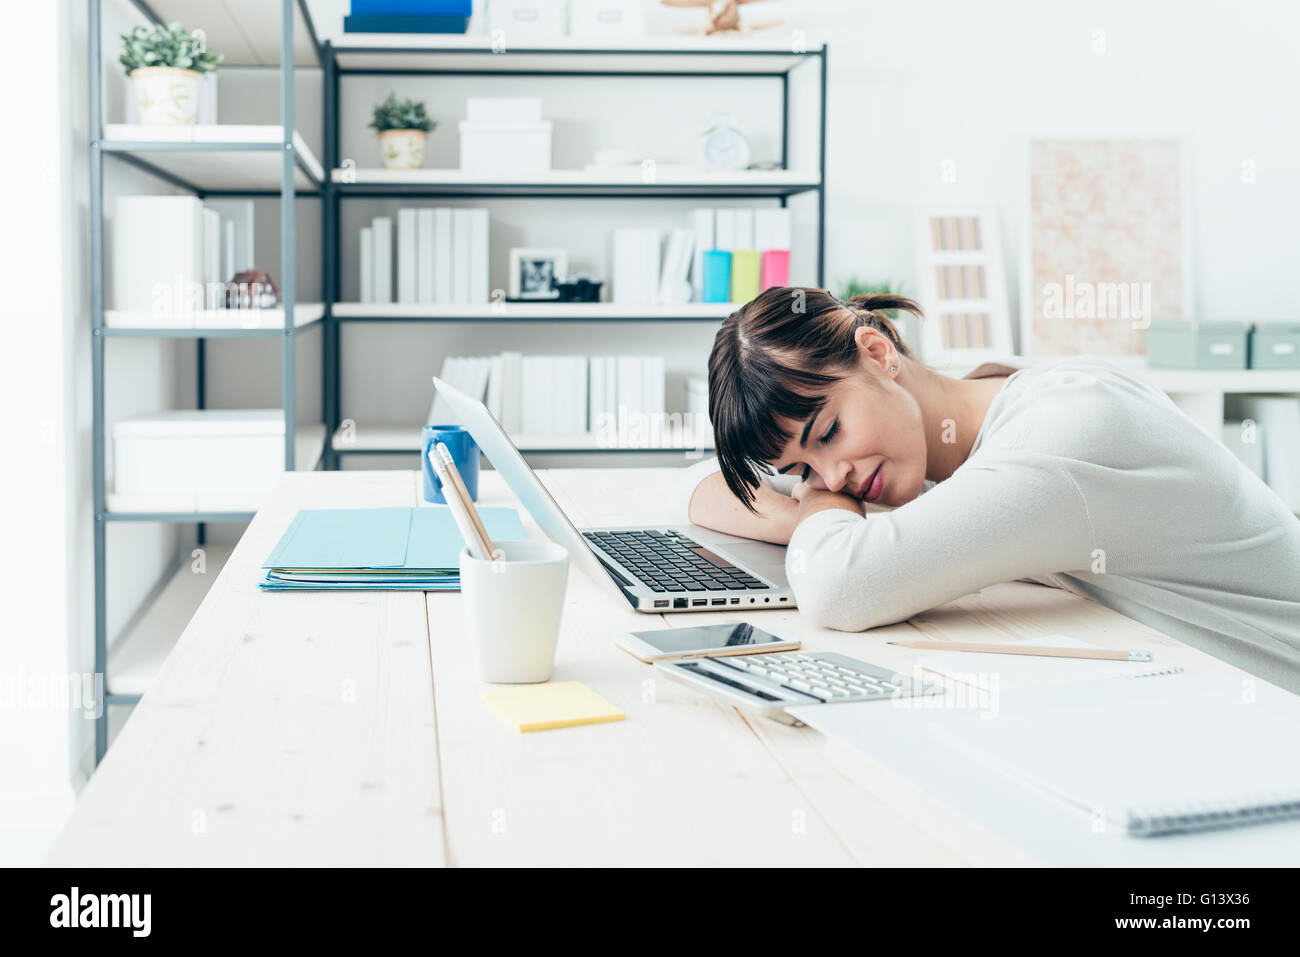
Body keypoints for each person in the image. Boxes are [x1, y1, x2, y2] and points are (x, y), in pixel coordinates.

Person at [674, 287, 1300, 692]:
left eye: (829, 432)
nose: (833, 475)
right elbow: (699, 489)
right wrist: (822, 508)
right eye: (801, 468)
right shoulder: (983, 407)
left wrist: (818, 506)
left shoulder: (1055, 442)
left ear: (877, 351)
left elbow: (839, 584)